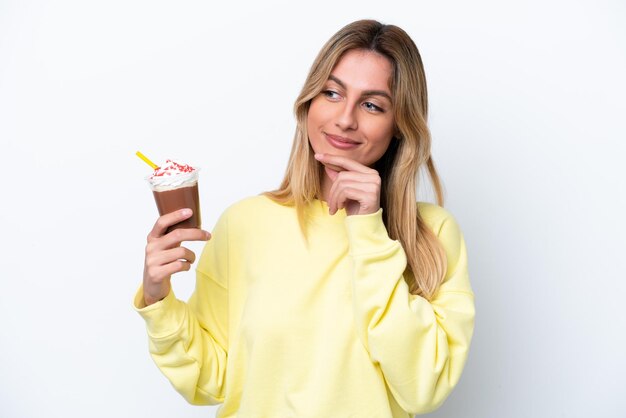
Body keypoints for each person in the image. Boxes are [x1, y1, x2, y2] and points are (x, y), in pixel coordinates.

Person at [134, 19, 475, 417]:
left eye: (372, 105)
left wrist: (368, 229)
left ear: (399, 125)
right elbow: (214, 379)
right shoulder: (246, 223)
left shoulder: (432, 235)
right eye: (332, 93)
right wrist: (158, 299)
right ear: (308, 103)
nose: (345, 119)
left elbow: (424, 388)